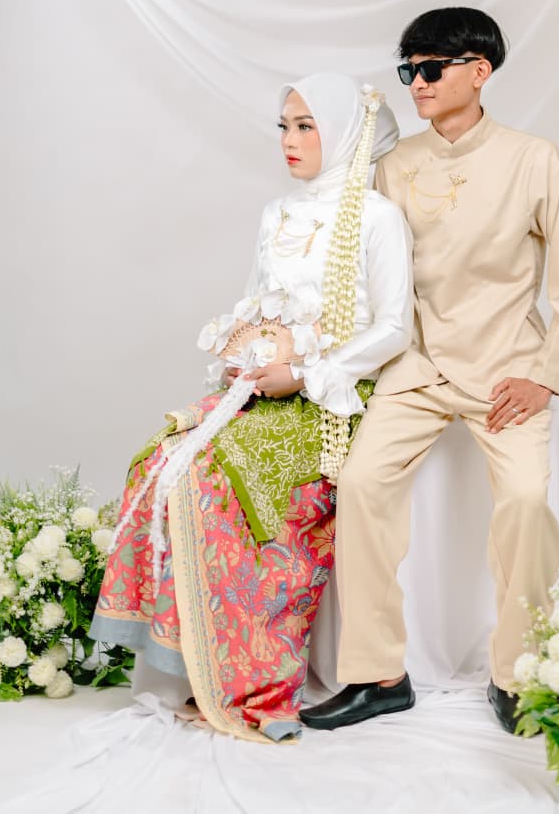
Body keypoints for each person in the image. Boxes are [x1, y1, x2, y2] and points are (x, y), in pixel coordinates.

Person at [89, 74, 413, 741]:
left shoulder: (377, 216)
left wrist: (307, 372)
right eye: (284, 126)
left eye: (306, 125)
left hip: (329, 398)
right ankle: (188, 663)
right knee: (159, 460)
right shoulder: (277, 212)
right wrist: (244, 353)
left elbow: (394, 327)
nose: (289, 140)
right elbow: (252, 300)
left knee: (213, 481)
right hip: (265, 386)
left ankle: (248, 678)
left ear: (344, 133)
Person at [300, 7, 559, 734]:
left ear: (479, 70)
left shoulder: (534, 158)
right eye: (409, 70)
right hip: (418, 368)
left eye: (431, 68)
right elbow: (373, 277)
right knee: (361, 486)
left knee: (525, 499)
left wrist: (546, 376)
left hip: (507, 369)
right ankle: (377, 674)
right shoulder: (393, 167)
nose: (417, 83)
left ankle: (519, 673)